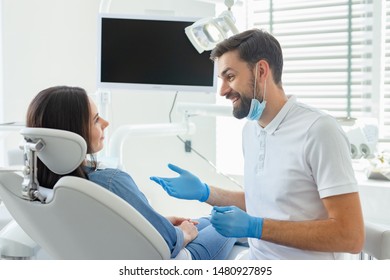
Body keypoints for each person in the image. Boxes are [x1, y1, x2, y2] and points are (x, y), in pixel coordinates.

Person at [150, 28, 365, 260]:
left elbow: (350, 236)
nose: (222, 90)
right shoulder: (251, 130)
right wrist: (205, 191)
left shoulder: (319, 130)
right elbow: (263, 201)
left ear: (261, 70)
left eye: (230, 77)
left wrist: (257, 228)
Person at [26, 85, 237, 260]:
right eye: (96, 119)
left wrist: (159, 220)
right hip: (175, 260)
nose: (106, 123)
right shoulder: (110, 182)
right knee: (231, 217)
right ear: (73, 132)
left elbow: (103, 223)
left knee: (207, 220)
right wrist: (182, 233)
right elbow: (166, 242)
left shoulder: (40, 186)